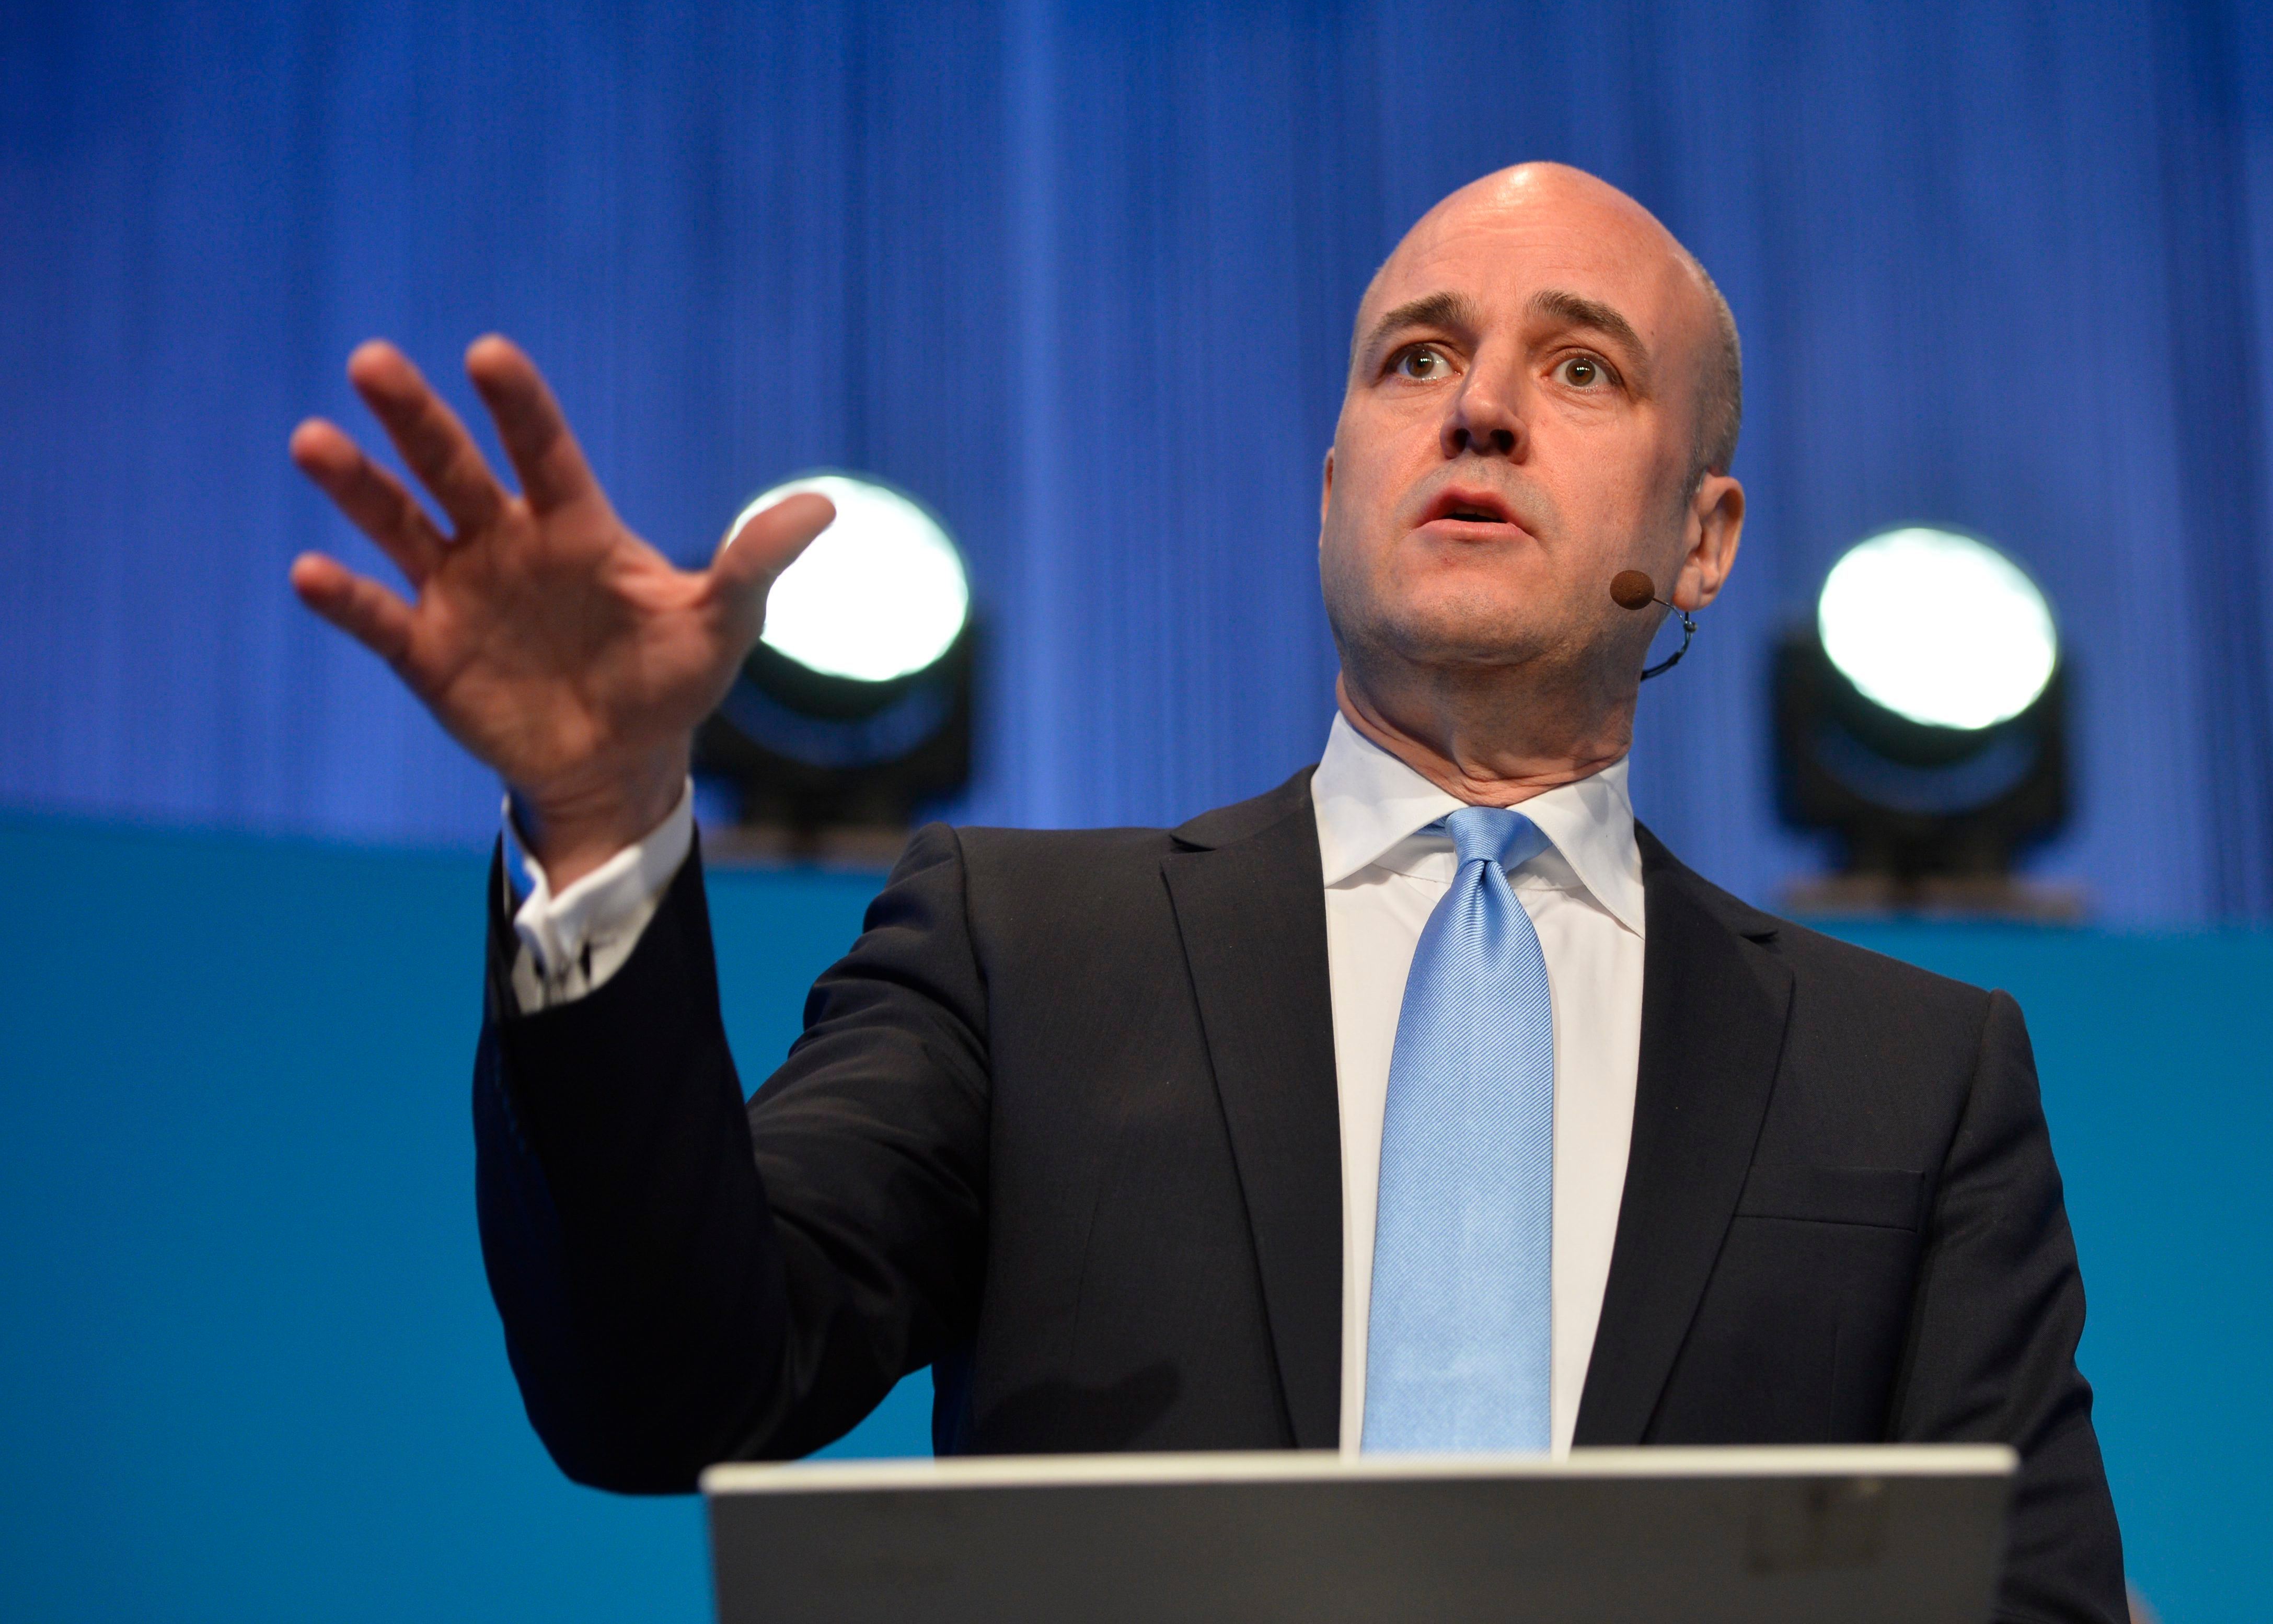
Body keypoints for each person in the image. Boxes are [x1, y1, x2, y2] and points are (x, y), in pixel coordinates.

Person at [290, 163, 2124, 1621]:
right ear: (1334, 490)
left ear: (1704, 538)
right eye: (1416, 360)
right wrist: (599, 813)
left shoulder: (1913, 1080)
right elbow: (664, 1387)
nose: (1481, 408)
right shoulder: (1023, 955)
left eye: (1582, 368)